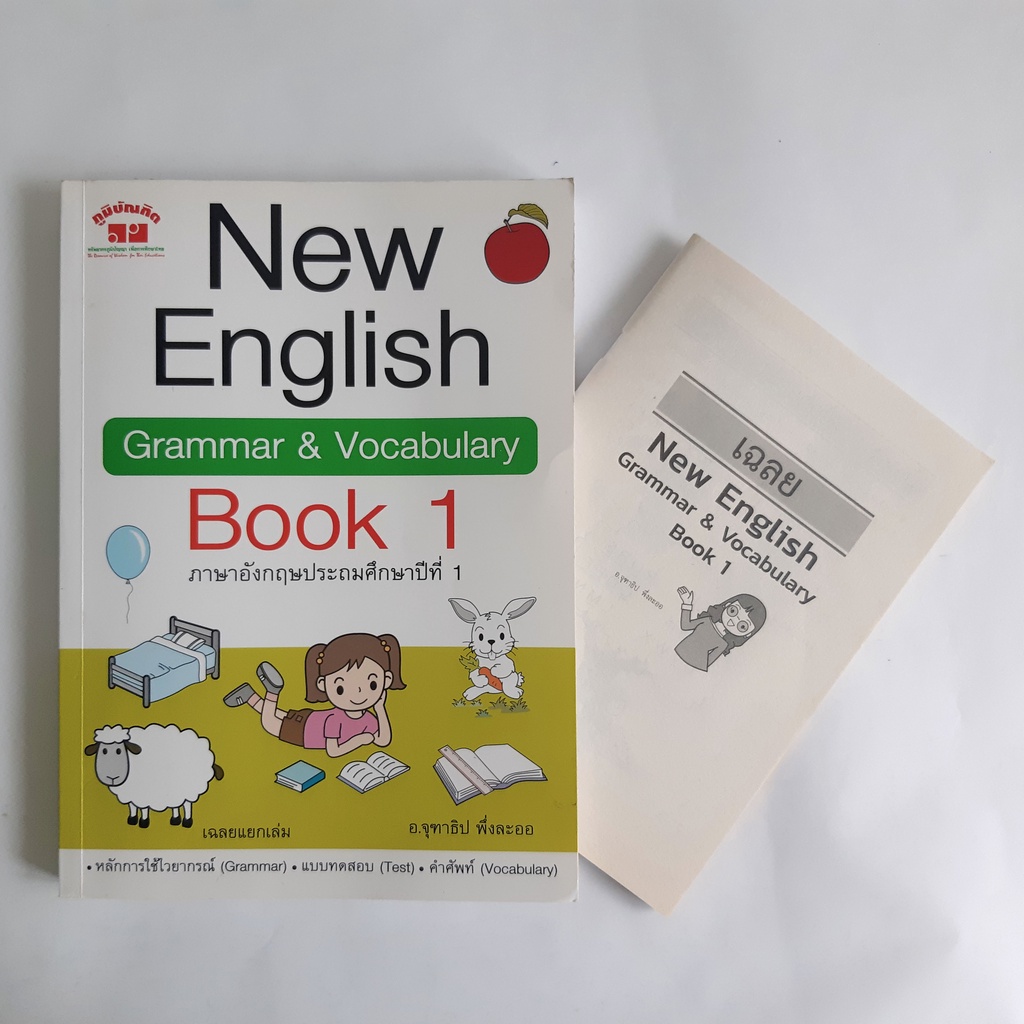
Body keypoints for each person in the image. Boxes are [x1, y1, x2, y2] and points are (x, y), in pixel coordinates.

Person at [224, 632, 405, 755]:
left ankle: (250, 696)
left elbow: (383, 740)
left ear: (386, 680)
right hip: (304, 732)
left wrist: (380, 708)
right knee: (269, 722)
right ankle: (272, 692)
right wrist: (359, 740)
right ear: (322, 684)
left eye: (372, 684)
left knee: (278, 714)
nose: (358, 693)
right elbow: (333, 751)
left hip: (310, 718)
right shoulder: (335, 720)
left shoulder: (368, 719)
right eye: (341, 689)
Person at [674, 586, 766, 672]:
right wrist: (687, 603)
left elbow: (708, 662)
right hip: (679, 651)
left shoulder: (723, 644)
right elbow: (685, 625)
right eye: (733, 611)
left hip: (697, 667)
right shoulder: (707, 621)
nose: (732, 621)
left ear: (747, 634)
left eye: (742, 626)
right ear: (727, 605)